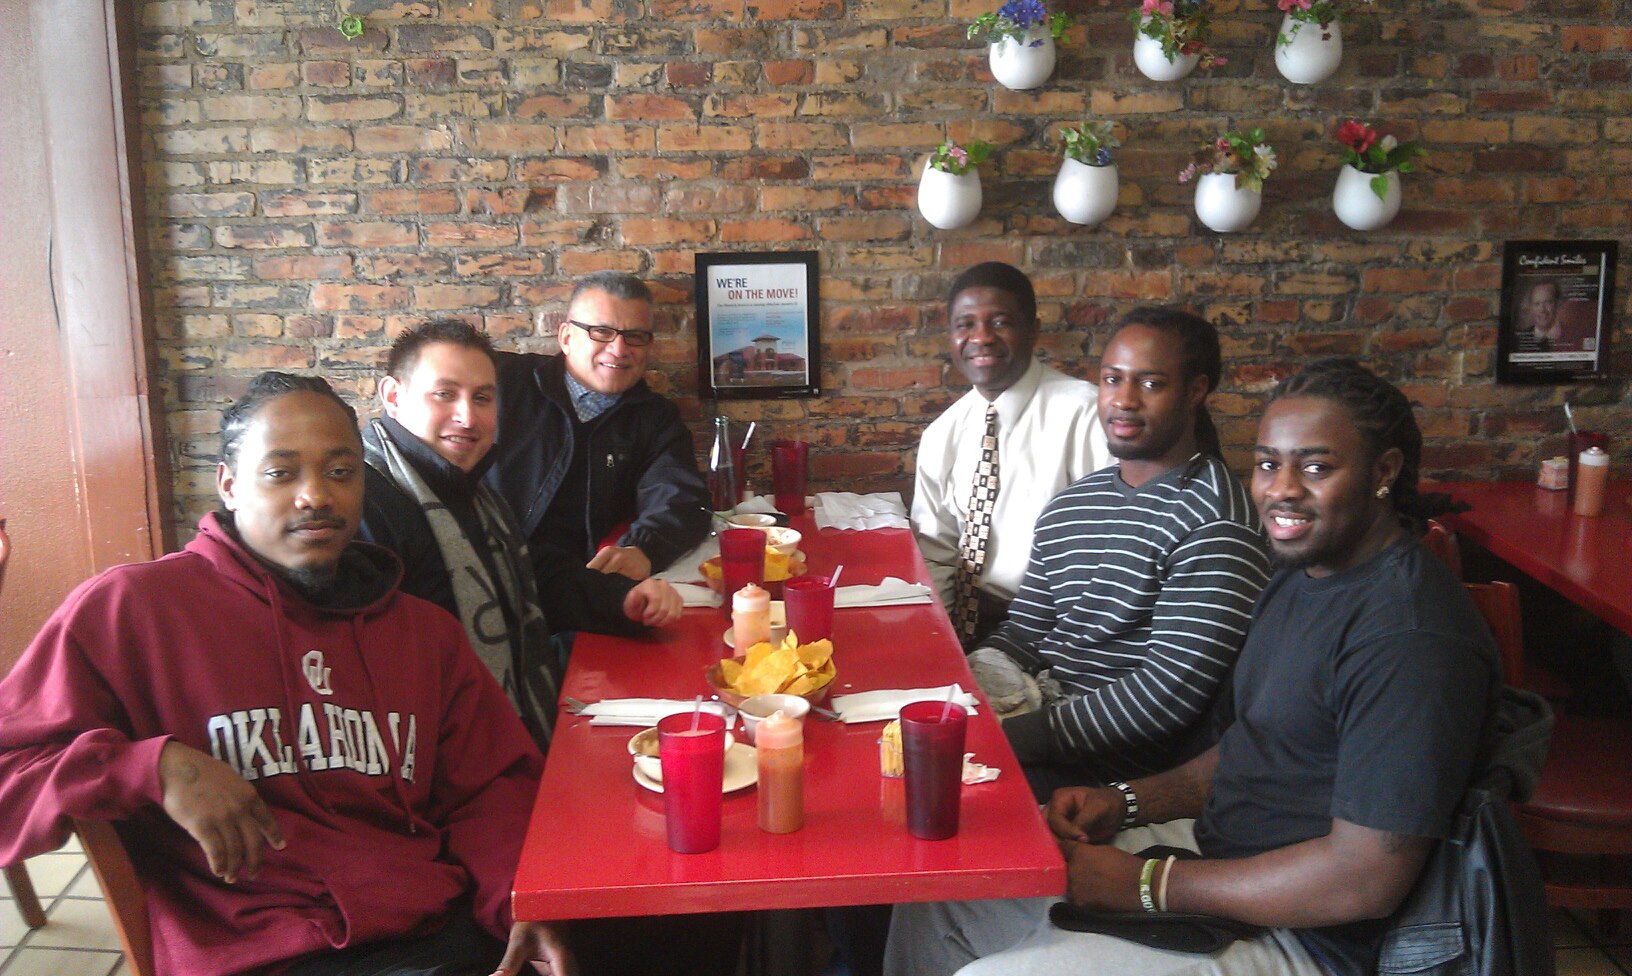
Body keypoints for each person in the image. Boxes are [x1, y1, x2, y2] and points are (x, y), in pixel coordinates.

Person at [885, 358, 1499, 976]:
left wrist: (1148, 885)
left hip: (1310, 936)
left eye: (1316, 467)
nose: (1282, 489)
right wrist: (1124, 802)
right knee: (943, 895)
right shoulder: (1300, 577)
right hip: (1214, 854)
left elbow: (1363, 880)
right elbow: (1250, 745)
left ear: (1383, 471)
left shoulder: (1409, 637)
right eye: (1268, 464)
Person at [0, 373, 572, 976]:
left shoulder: (424, 633)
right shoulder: (133, 610)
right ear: (229, 484)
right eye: (280, 473)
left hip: (434, 930)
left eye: (341, 472)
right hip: (256, 950)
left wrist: (519, 897)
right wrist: (153, 768)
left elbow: (491, 788)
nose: (315, 496)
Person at [970, 308, 1270, 798]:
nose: (1124, 400)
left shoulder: (1215, 524)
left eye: (1150, 384)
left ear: (1195, 391)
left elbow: (1163, 696)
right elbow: (1024, 631)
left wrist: (1002, 739)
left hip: (1107, 771)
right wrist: (966, 695)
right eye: (1112, 379)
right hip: (1037, 725)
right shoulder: (1071, 505)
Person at [359, 321, 684, 751]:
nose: (467, 417)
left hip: (507, 729)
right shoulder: (366, 504)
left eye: (482, 398)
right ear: (393, 397)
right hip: (446, 757)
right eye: (444, 394)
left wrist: (621, 599)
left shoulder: (467, 489)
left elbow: (529, 571)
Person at [912, 262, 1112, 649]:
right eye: (965, 324)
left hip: (1059, 629)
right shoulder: (942, 434)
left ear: (1033, 330)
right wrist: (944, 644)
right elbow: (936, 554)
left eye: (1000, 322)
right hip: (968, 622)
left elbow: (1114, 544)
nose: (981, 338)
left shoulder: (1086, 414)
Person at [487, 272, 710, 582]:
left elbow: (680, 500)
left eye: (635, 336)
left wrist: (644, 549)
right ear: (566, 337)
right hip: (488, 574)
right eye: (601, 332)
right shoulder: (501, 382)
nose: (619, 349)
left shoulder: (655, 419)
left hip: (583, 586)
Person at [1514, 279, 1563, 350]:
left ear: (1557, 304)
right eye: (1537, 304)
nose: (1542, 310)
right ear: (1531, 307)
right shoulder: (1518, 340)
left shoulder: (1572, 336)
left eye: (1548, 302)